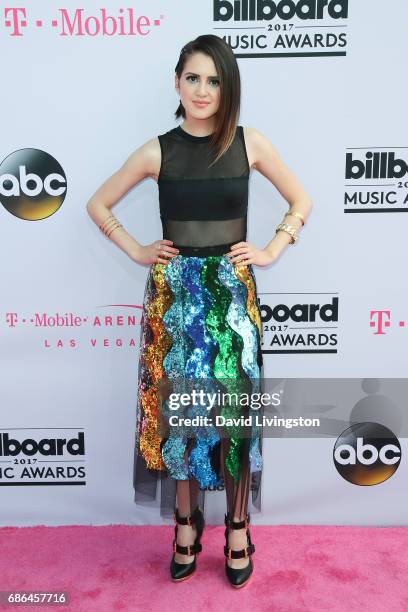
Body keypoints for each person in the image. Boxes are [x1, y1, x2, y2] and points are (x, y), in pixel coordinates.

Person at [86, 34, 312, 589]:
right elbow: (98, 202)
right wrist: (137, 248)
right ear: (177, 83)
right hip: (173, 299)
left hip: (233, 298)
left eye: (214, 80)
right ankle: (185, 525)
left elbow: (301, 200)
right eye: (193, 78)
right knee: (180, 419)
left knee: (233, 417)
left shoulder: (248, 143)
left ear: (227, 86)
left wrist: (273, 247)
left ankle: (238, 527)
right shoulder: (156, 150)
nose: (203, 90)